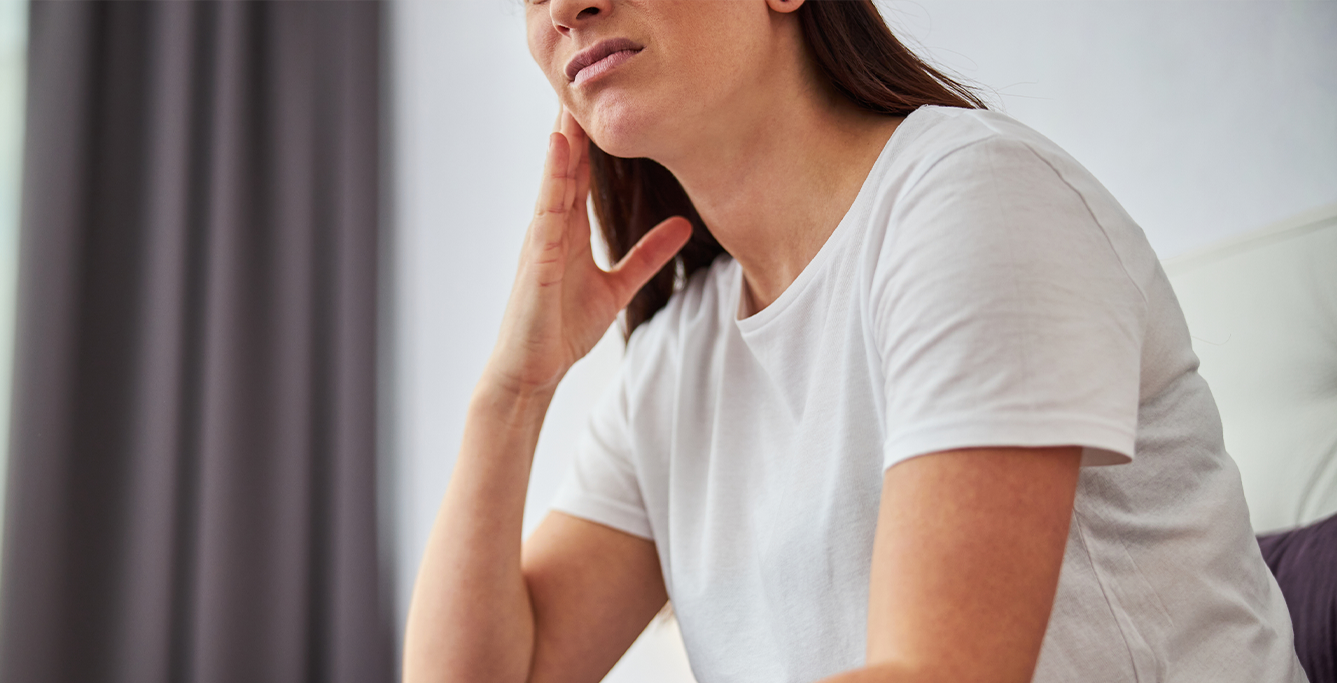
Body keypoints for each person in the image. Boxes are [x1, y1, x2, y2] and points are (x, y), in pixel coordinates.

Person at [403, 1, 1307, 682]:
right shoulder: (679, 359)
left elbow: (939, 674)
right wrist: (511, 391)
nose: (564, 4)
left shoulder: (973, 198)